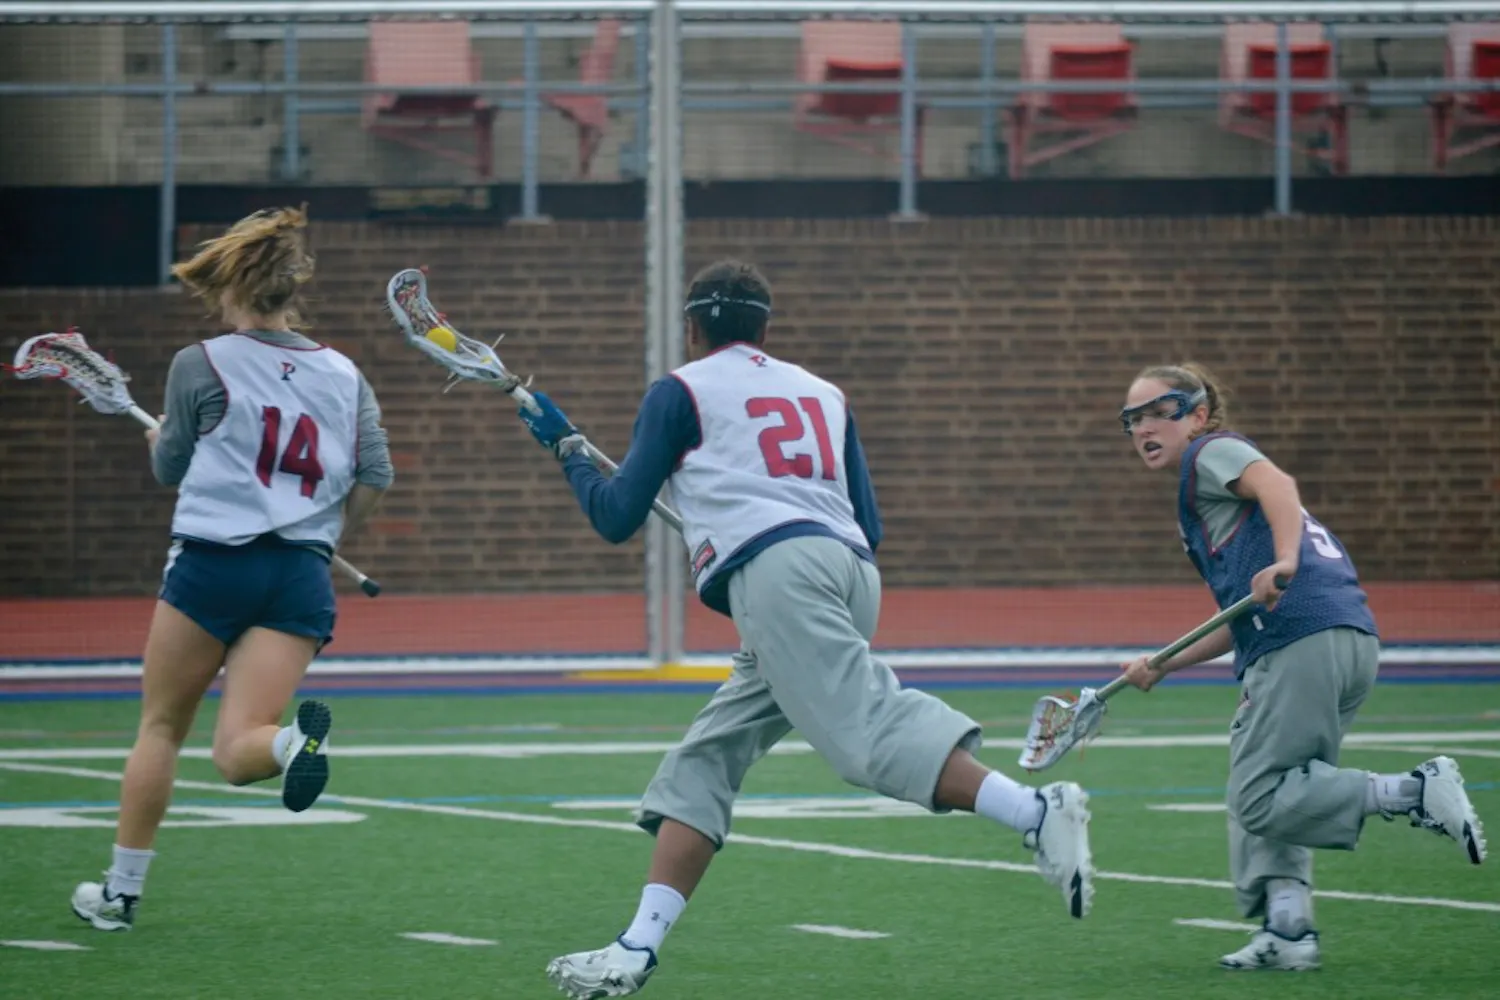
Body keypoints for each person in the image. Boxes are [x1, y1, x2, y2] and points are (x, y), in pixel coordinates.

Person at [516, 260, 1095, 999]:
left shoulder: (679, 390)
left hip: (781, 577)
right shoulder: (823, 391)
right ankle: (636, 948)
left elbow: (615, 516)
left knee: (864, 737)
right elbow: (868, 523)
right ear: (765, 328)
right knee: (704, 760)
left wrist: (566, 448)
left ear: (691, 327)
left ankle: (1035, 810)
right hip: (848, 571)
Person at [70, 206, 394, 932]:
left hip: (214, 566)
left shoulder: (201, 362)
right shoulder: (343, 373)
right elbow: (376, 475)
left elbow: (171, 467)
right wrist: (322, 533)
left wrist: (161, 439)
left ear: (229, 288)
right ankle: (289, 744)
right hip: (300, 576)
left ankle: (120, 894)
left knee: (161, 727)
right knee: (239, 749)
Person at [1117, 362, 1486, 972]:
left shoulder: (1210, 453)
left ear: (1199, 415)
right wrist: (1164, 664)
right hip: (1342, 639)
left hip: (1300, 642)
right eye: (1133, 419)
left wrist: (1285, 559)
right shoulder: (1204, 498)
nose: (1145, 428)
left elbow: (1278, 484)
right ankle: (1289, 930)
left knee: (1258, 797)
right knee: (1277, 779)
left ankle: (1415, 791)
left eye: (1162, 411)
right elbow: (1240, 613)